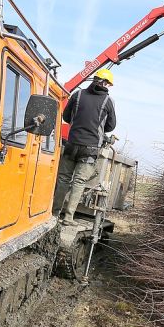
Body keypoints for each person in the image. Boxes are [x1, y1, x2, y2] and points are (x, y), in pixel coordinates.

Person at [53, 68, 117, 225]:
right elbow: (111, 126)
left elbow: (66, 117)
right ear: (104, 83)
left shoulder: (78, 95)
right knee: (79, 182)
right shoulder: (108, 101)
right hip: (90, 148)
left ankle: (54, 213)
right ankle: (68, 217)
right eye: (108, 84)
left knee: (63, 179)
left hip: (72, 144)